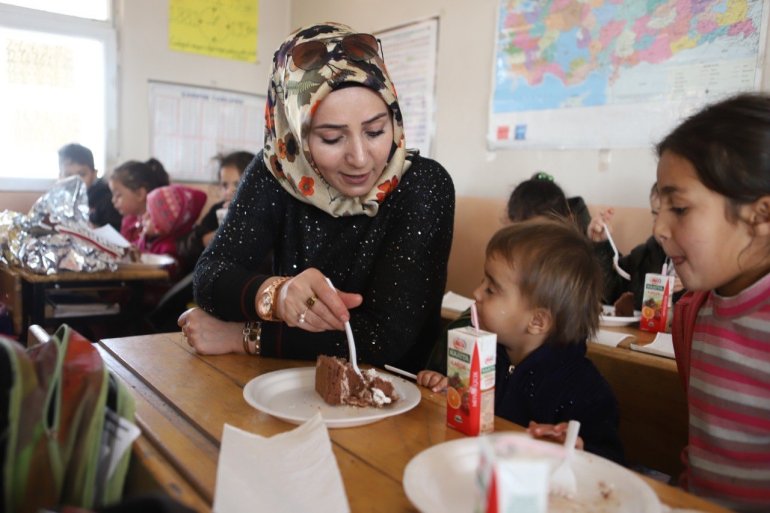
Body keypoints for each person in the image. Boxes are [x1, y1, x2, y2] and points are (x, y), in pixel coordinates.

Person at [181, 22, 454, 373]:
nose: (360, 158)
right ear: (295, 133)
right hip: (286, 383)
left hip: (395, 391)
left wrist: (245, 336)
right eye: (331, 138)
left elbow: (385, 338)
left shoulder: (424, 184)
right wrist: (277, 295)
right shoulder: (278, 170)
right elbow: (209, 276)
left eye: (375, 131)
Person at [417, 219, 624, 464]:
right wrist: (445, 389)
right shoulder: (483, 354)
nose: (477, 293)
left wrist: (578, 449)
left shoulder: (584, 389)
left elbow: (611, 462)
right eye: (483, 282)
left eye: (491, 289)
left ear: (537, 321)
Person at [655, 93, 770, 513]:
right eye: (659, 208)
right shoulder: (695, 312)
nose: (659, 228)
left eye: (679, 208)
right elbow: (704, 458)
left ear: (761, 215)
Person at [588, 183, 685, 310]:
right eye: (656, 218)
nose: (659, 229)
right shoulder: (642, 257)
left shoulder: (703, 272)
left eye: (671, 217)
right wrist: (601, 245)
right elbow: (610, 295)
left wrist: (687, 289)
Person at [176, 150, 256, 271]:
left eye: (238, 184)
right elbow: (184, 247)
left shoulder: (264, 215)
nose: (229, 191)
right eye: (225, 185)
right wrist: (206, 239)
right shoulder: (218, 209)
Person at [58, 143, 122, 231]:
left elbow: (116, 231)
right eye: (68, 175)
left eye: (82, 174)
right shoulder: (59, 200)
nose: (75, 181)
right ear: (60, 177)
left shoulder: (106, 200)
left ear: (94, 174)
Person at [108, 158, 170, 245]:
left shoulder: (157, 225)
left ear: (140, 194)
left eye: (118, 195)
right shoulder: (128, 221)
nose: (113, 200)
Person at [139, 184, 207, 263]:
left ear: (164, 224)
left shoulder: (168, 251)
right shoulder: (147, 238)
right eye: (146, 211)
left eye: (150, 215)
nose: (144, 217)